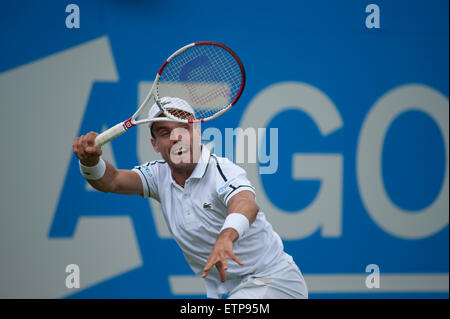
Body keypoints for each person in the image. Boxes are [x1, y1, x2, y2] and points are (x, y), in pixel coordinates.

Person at [72, 96, 308, 299]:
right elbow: (111, 181)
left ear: (197, 133)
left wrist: (227, 236)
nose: (176, 137)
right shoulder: (157, 175)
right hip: (236, 289)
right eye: (165, 132)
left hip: (274, 281)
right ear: (155, 144)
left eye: (183, 128)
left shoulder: (221, 171)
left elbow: (245, 203)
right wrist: (90, 161)